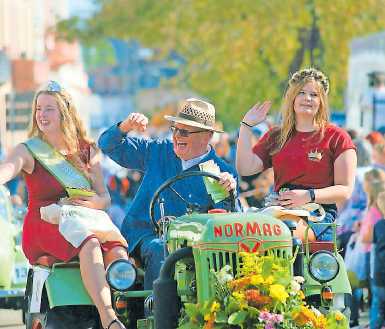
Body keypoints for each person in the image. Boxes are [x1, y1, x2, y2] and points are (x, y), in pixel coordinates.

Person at [0, 81, 127, 329]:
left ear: (64, 113)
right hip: (44, 223)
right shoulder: (28, 150)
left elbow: (105, 199)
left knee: (120, 255)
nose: (42, 115)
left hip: (82, 219)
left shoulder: (88, 150)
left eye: (49, 109)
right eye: (38, 109)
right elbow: (7, 169)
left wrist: (88, 203)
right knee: (89, 242)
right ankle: (109, 317)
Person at [98, 98, 240, 290]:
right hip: (146, 234)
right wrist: (126, 125)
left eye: (184, 131)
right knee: (162, 248)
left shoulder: (221, 172)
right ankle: (156, 315)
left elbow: (231, 223)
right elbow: (107, 145)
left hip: (196, 245)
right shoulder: (158, 151)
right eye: (174, 129)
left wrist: (230, 193)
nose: (176, 136)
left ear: (207, 136)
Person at [236, 68, 357, 241]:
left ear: (322, 101)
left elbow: (345, 190)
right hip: (278, 210)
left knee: (280, 234)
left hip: (317, 214)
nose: (307, 98)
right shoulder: (276, 135)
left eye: (314, 95)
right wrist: (246, 126)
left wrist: (308, 195)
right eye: (301, 92)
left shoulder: (337, 137)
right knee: (243, 233)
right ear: (291, 98)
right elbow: (245, 168)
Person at [370, 190, 385, 329]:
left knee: (377, 309)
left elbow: (374, 252)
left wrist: (372, 274)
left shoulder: (379, 225)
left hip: (379, 274)